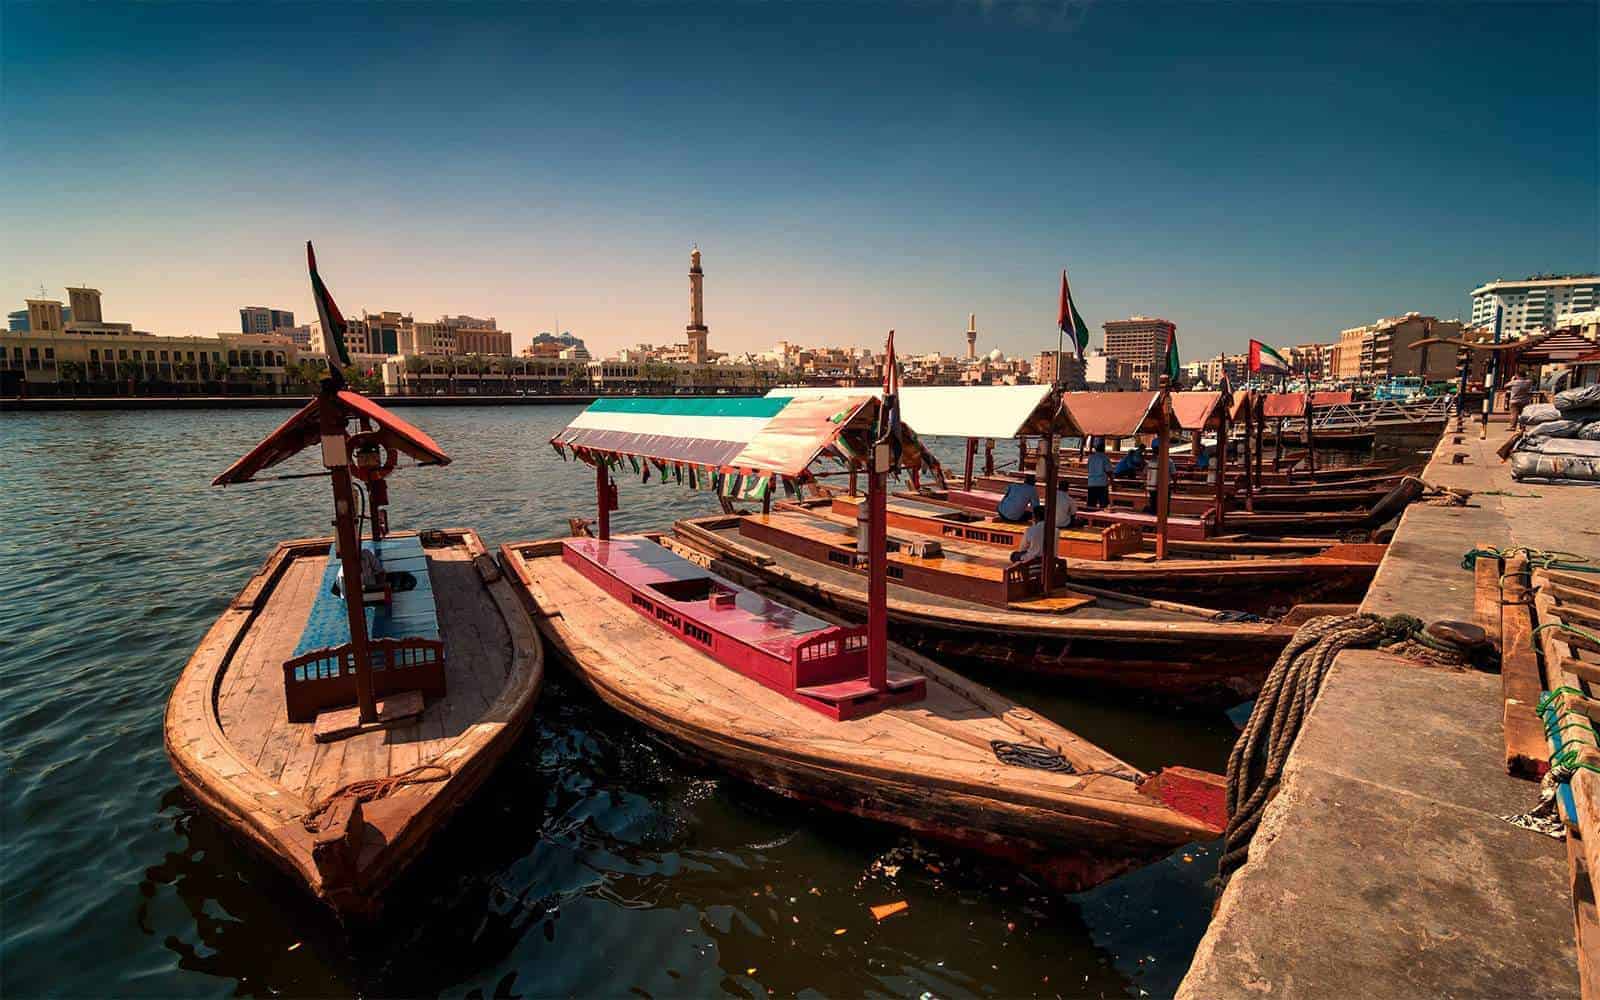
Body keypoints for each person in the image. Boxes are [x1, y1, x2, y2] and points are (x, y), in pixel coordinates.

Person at [1146, 447, 1178, 513]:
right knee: (1165, 505)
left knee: (1153, 504)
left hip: (1152, 487)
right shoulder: (1169, 461)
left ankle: (1153, 519)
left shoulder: (1151, 461)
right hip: (1164, 487)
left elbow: (1144, 473)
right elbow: (1174, 474)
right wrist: (1175, 485)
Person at [1084, 439, 1111, 510]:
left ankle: (1089, 517)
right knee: (1103, 504)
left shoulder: (1090, 457)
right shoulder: (1105, 457)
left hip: (1091, 482)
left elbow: (1087, 468)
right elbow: (1109, 471)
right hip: (1101, 483)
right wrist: (1112, 480)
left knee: (1091, 503)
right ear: (1103, 448)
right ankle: (1101, 519)